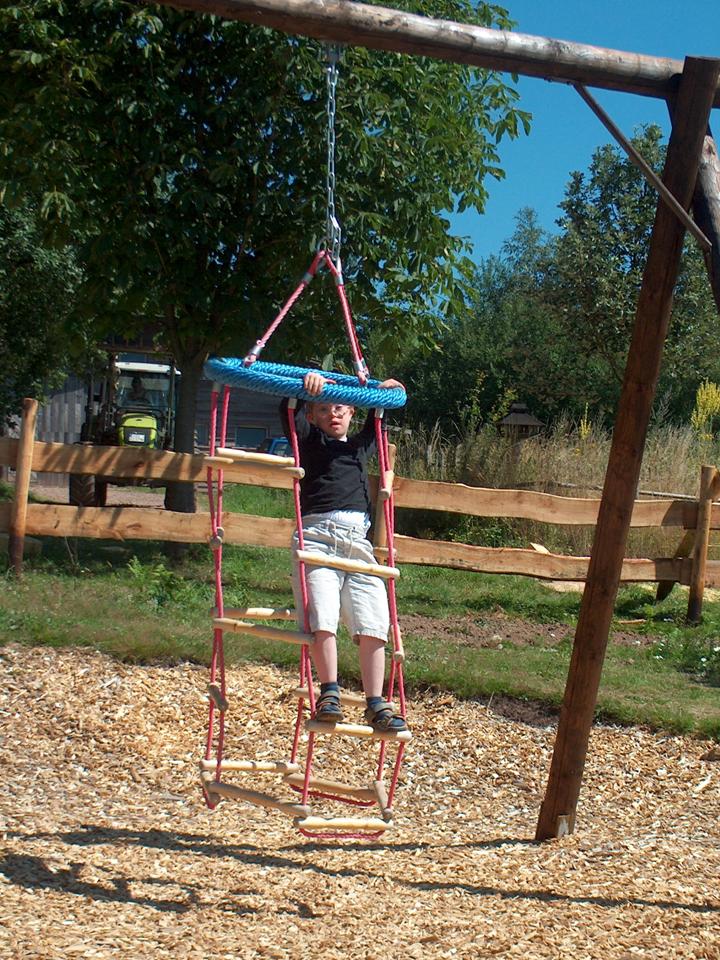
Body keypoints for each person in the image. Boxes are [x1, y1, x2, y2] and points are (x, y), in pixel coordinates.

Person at [280, 370, 408, 733]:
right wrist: (302, 389)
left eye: (340, 408)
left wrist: (389, 390)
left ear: (351, 411)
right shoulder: (308, 442)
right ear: (312, 417)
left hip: (358, 543)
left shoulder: (359, 447)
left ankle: (376, 702)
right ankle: (329, 692)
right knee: (322, 613)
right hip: (317, 537)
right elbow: (287, 411)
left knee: (374, 620)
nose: (332, 414)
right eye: (323, 410)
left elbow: (379, 420)